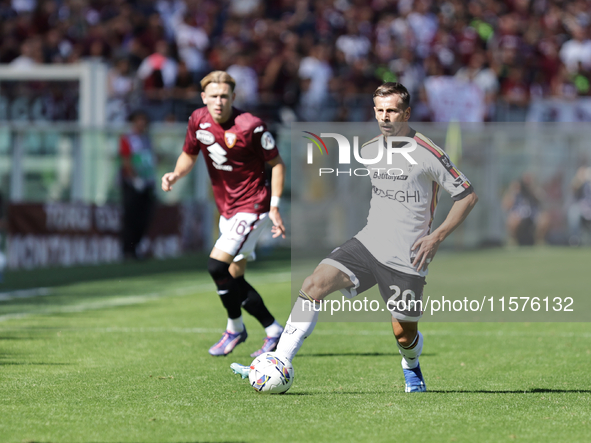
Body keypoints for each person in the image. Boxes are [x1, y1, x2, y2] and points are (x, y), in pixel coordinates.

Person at [231, 82, 478, 392]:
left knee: (404, 334)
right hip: (368, 242)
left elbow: (467, 196)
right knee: (313, 285)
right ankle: (280, 360)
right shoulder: (370, 148)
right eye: (380, 111)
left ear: (407, 112)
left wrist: (436, 237)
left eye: (393, 111)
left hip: (408, 255)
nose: (386, 117)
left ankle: (411, 364)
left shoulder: (430, 153)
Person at [161, 71, 286, 357]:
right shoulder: (197, 120)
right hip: (227, 208)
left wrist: (275, 205)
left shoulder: (251, 126)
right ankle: (273, 330)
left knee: (216, 266)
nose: (219, 101)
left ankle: (235, 328)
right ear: (204, 98)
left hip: (253, 206)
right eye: (213, 96)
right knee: (233, 278)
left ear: (233, 98)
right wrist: (176, 174)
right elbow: (189, 154)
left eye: (224, 96)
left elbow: (277, 165)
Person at [120, 110, 156, 260]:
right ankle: (128, 250)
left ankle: (137, 248)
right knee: (131, 218)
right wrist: (135, 179)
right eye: (139, 120)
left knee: (145, 218)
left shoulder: (147, 139)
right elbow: (126, 160)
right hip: (132, 184)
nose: (142, 124)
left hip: (147, 183)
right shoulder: (128, 139)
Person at [502, 173, 549, 246]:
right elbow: (505, 206)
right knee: (512, 218)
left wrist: (532, 188)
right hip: (519, 215)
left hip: (533, 215)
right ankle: (512, 241)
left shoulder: (535, 190)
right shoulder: (517, 191)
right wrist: (512, 190)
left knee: (544, 218)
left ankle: (539, 241)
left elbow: (543, 200)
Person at [568, 165, 591, 246]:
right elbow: (573, 187)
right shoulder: (580, 181)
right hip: (581, 208)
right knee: (573, 212)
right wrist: (580, 178)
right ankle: (575, 239)